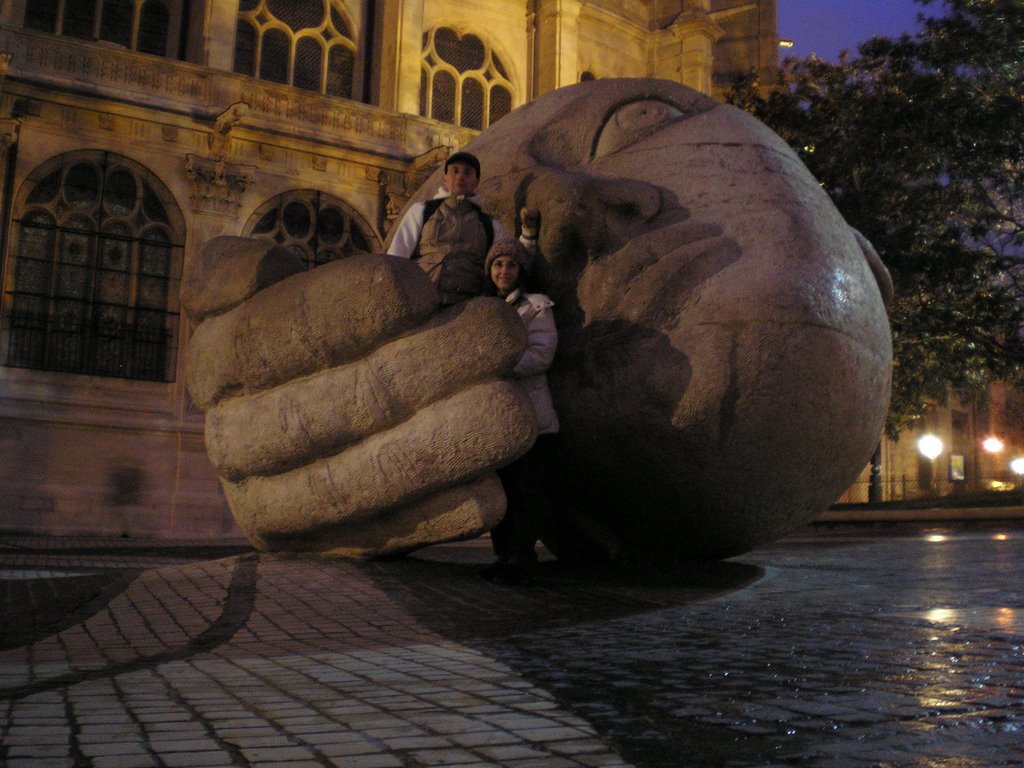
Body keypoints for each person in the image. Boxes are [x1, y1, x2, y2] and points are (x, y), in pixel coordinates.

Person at [480, 235, 560, 585]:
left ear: (520, 270)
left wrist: (502, 366)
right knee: (503, 490)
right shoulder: (483, 310)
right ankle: (503, 556)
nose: (504, 270)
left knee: (527, 491)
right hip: (497, 415)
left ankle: (522, 557)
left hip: (530, 413)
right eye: (498, 264)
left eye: (511, 264)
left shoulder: (537, 306)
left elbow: (542, 354)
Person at [388, 151, 536, 305]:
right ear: (445, 179)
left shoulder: (489, 225)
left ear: (476, 181)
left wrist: (529, 231)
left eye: (467, 172)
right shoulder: (422, 211)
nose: (460, 177)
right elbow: (396, 256)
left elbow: (517, 257)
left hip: (465, 307)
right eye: (455, 171)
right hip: (421, 299)